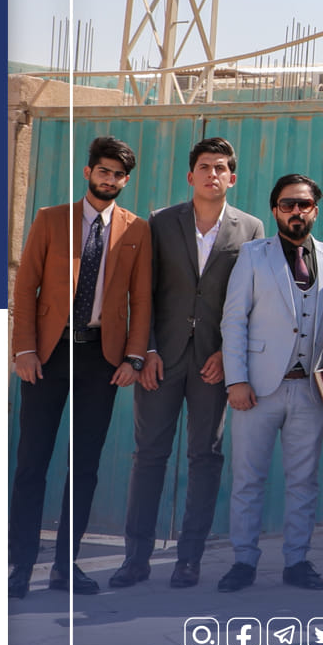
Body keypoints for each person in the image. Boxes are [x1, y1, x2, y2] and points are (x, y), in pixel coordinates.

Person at [115, 137, 264, 591]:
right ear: (190, 175)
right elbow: (143, 292)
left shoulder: (251, 228)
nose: (212, 174)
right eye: (204, 167)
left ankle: (189, 559)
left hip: (213, 364)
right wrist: (148, 350)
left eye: (220, 168)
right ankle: (135, 558)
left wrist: (228, 354)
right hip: (161, 359)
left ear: (232, 177)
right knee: (149, 455)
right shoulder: (161, 222)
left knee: (205, 457)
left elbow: (251, 300)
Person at [9, 135, 151, 598]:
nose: (110, 180)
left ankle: (65, 566)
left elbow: (141, 299)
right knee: (31, 461)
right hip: (47, 355)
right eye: (103, 171)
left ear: (125, 181)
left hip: (100, 359)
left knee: (84, 465)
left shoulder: (137, 229)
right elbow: (25, 286)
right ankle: (20, 565)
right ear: (88, 172)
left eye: (118, 175)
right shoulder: (51, 219)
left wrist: (134, 356)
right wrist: (23, 350)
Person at [216, 174, 323, 592]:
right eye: (287, 204)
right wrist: (236, 380)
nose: (296, 211)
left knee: (304, 481)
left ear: (315, 210)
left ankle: (297, 561)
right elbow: (234, 320)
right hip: (257, 388)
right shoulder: (253, 255)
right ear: (275, 210)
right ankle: (243, 561)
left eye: (304, 204)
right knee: (248, 479)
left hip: (311, 390)